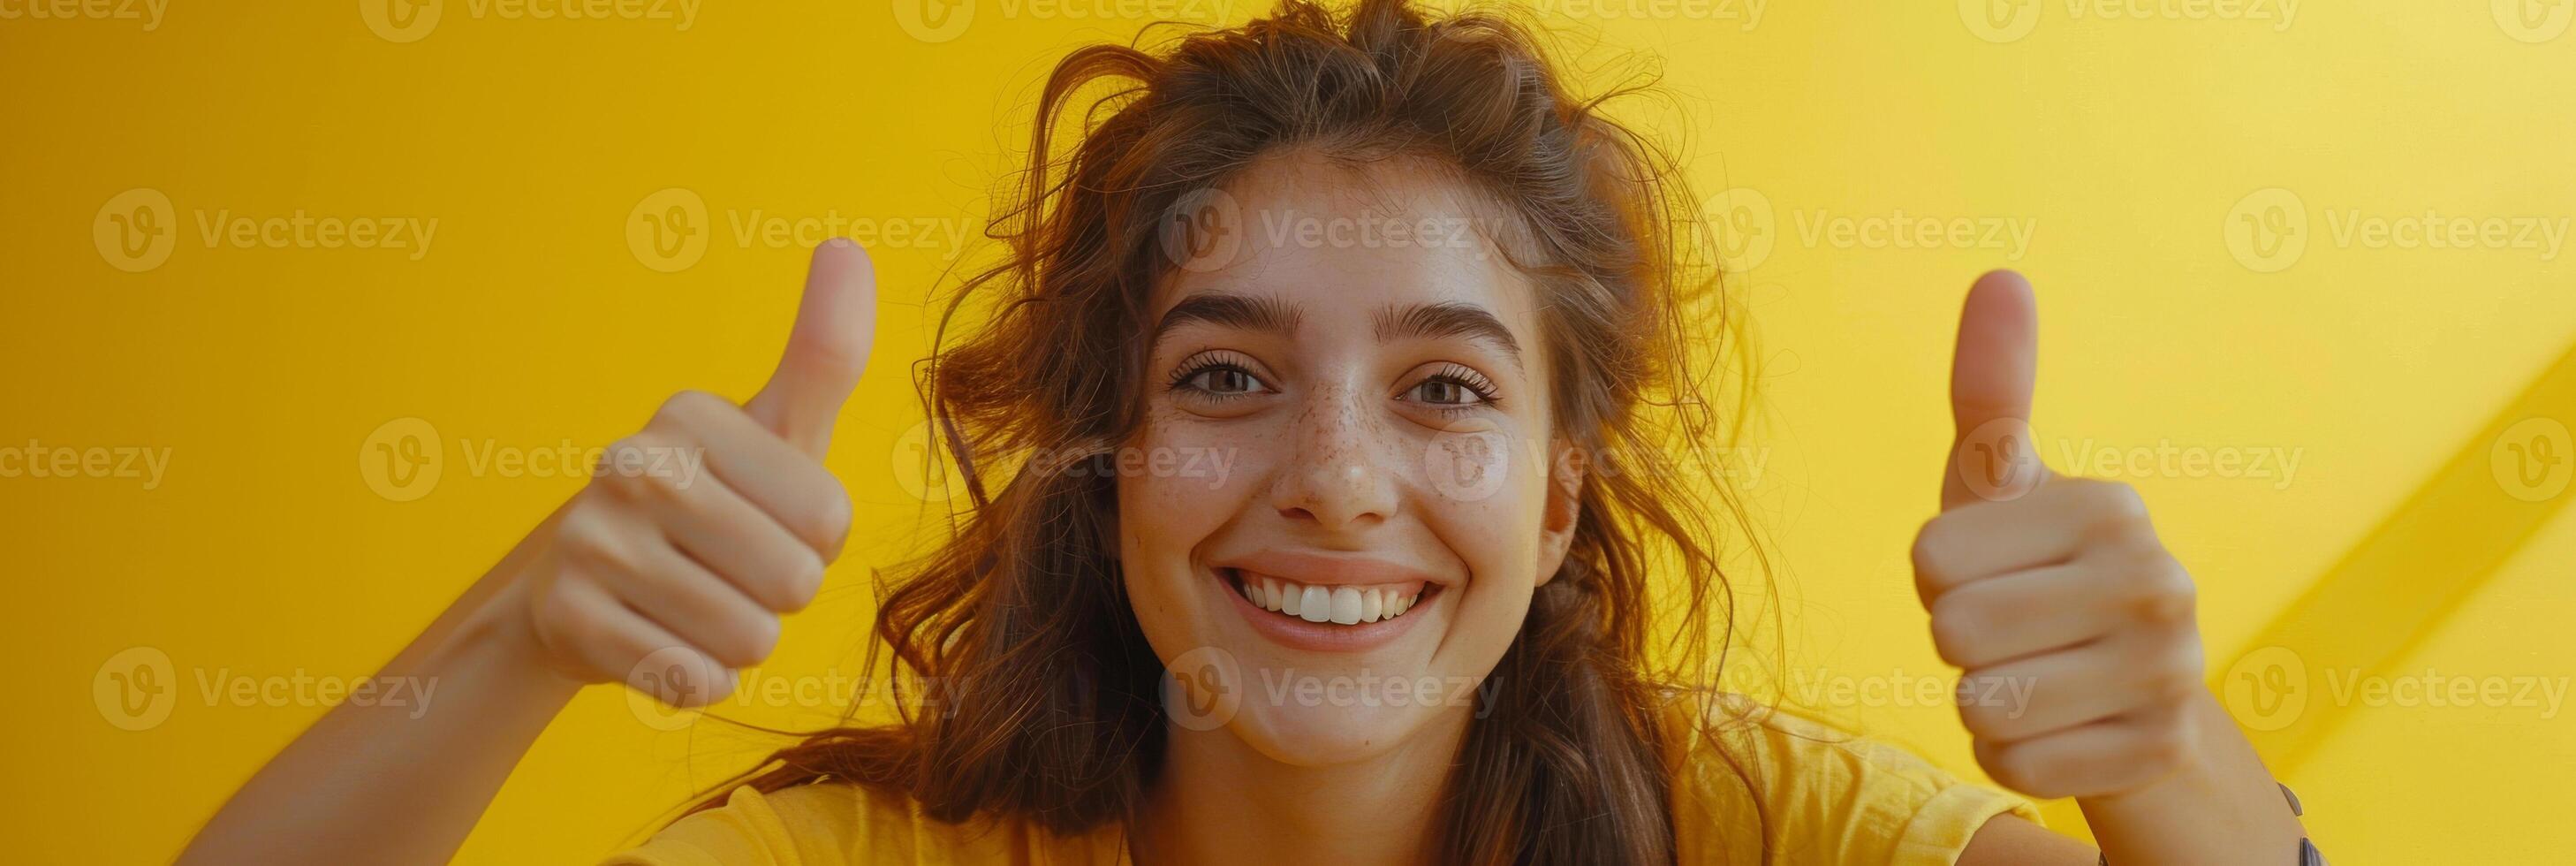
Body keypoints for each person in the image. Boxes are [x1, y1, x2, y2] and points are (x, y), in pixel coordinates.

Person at [178, 0, 2311, 862]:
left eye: (1450, 387)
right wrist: (520, 632)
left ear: (1564, 490)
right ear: (1105, 456)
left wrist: (2164, 766)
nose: (1335, 477)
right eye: (1223, 374)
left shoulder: (1750, 826)